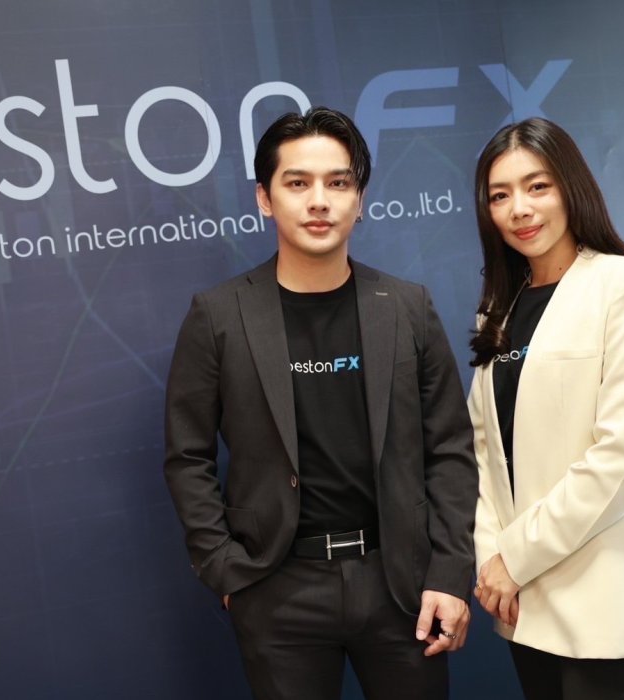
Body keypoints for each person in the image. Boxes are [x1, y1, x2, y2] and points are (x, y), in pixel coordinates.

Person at [163, 106, 478, 700]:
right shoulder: (219, 315)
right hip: (278, 589)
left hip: (402, 587)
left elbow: (451, 450)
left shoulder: (407, 307)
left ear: (360, 201)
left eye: (338, 183)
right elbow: (187, 456)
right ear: (265, 198)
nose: (319, 201)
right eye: (297, 183)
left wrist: (448, 573)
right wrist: (227, 571)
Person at [467, 117, 624, 699]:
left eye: (537, 186)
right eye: (500, 195)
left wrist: (515, 557)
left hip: (602, 599)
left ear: (571, 187)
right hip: (522, 602)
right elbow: (486, 453)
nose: (519, 208)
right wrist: (493, 560)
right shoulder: (498, 309)